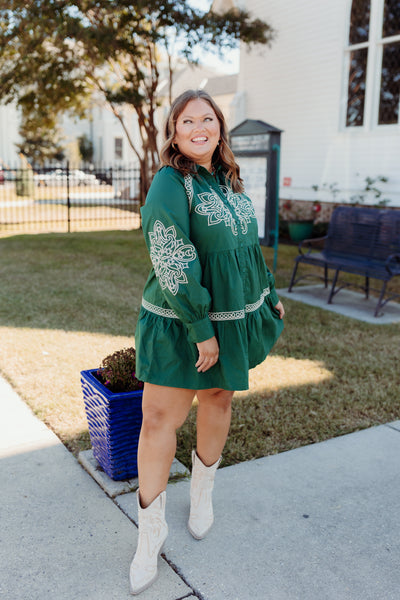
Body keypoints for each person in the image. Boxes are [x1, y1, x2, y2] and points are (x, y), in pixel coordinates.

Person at [130, 89, 285, 595]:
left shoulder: (230, 180)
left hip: (232, 315)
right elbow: (170, 254)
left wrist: (268, 295)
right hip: (181, 320)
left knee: (219, 398)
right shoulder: (171, 183)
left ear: (220, 126)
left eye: (208, 119)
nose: (200, 127)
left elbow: (246, 249)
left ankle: (202, 492)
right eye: (187, 121)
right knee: (159, 419)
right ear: (174, 133)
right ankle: (149, 532)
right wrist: (202, 330)